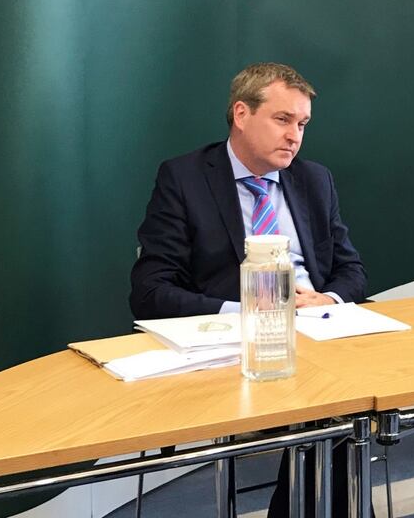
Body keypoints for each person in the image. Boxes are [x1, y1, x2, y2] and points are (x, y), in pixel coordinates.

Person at [130, 62, 368, 518]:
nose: (294, 137)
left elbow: (351, 271)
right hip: (236, 345)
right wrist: (249, 312)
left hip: (317, 333)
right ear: (241, 114)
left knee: (348, 406)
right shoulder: (184, 178)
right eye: (282, 120)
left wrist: (328, 298)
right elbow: (150, 291)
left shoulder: (314, 179)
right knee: (335, 416)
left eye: (302, 125)